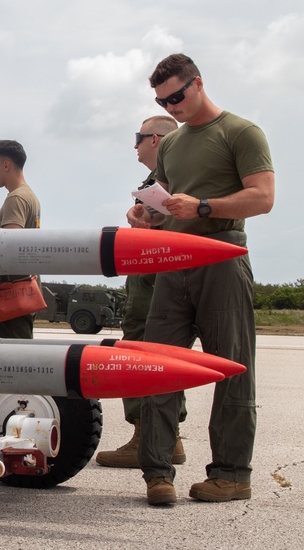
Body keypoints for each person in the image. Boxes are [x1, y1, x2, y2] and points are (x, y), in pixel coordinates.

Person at [128, 54, 274, 506]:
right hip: (174, 260)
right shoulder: (171, 146)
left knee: (231, 368)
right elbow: (165, 200)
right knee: (155, 366)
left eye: (177, 95)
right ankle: (157, 474)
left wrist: (205, 207)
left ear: (198, 83)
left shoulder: (241, 132)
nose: (172, 106)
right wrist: (145, 216)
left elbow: (263, 197)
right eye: (162, 100)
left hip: (223, 256)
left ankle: (231, 475)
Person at [97, 115, 187, 468]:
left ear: (155, 140)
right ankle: (168, 439)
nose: (134, 144)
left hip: (153, 286)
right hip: (153, 281)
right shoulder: (158, 184)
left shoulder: (167, 186)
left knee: (140, 355)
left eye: (139, 136)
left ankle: (146, 438)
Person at [0, 140, 40, 339]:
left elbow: (9, 246)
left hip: (11, 292)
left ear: (6, 165)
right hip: (22, 290)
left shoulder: (16, 199)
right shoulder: (28, 196)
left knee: (11, 359)